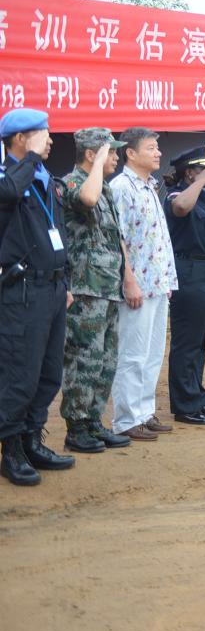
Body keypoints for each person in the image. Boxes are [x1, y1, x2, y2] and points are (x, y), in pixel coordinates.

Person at [0, 109, 75, 485]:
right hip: (23, 291)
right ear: (20, 139)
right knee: (20, 374)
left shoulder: (46, 178)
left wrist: (67, 282)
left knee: (49, 373)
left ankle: (32, 440)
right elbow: (9, 194)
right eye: (43, 134)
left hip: (54, 288)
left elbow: (57, 230)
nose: (50, 140)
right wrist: (28, 158)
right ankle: (11, 449)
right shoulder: (8, 178)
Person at [55, 128, 131, 453]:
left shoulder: (106, 189)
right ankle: (76, 427)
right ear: (91, 154)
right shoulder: (72, 183)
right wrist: (98, 164)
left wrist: (127, 276)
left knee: (106, 360)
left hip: (108, 286)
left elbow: (116, 237)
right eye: (110, 152)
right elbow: (87, 200)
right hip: (85, 287)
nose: (116, 157)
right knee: (83, 358)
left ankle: (93, 421)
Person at [109, 127, 179, 441]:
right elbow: (118, 238)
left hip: (158, 282)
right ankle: (126, 419)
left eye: (157, 147)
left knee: (152, 353)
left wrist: (166, 279)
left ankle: (144, 412)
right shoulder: (121, 187)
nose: (158, 153)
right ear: (131, 153)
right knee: (132, 353)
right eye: (151, 148)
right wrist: (129, 280)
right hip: (137, 284)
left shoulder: (149, 185)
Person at [163, 147, 205, 426]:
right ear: (190, 173)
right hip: (190, 273)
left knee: (199, 341)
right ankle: (184, 404)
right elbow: (180, 208)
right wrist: (201, 181)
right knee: (187, 342)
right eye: (203, 170)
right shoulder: (177, 195)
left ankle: (198, 396)